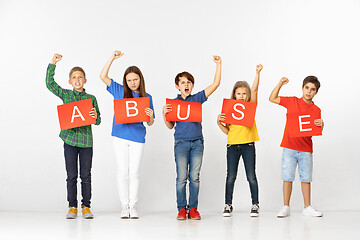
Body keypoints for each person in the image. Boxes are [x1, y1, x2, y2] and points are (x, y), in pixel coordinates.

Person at [163, 56, 222, 220]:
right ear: (177, 86)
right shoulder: (173, 103)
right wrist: (164, 114)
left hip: (197, 142)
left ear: (192, 85)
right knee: (181, 178)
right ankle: (182, 209)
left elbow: (215, 84)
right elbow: (170, 126)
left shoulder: (197, 98)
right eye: (182, 82)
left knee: (194, 177)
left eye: (189, 82)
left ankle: (193, 208)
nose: (186, 84)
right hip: (181, 143)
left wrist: (218, 64)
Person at [100, 51, 154, 219]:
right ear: (125, 81)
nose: (132, 83)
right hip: (119, 136)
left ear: (140, 80)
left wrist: (150, 115)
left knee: (135, 172)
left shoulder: (147, 97)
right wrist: (112, 58)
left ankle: (133, 206)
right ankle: (124, 206)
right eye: (129, 80)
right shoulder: (119, 90)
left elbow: (150, 123)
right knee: (123, 171)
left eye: (135, 79)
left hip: (138, 138)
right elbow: (102, 76)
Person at [46, 53, 101, 219]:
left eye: (80, 77)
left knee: (86, 176)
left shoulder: (91, 98)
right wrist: (52, 64)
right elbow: (50, 84)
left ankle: (86, 206)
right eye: (74, 77)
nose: (78, 80)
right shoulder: (66, 95)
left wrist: (95, 116)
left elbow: (98, 120)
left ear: (85, 80)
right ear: (70, 81)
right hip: (69, 140)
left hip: (86, 142)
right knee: (71, 175)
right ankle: (72, 206)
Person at [269, 76, 324, 218]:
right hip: (289, 147)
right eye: (307, 88)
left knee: (306, 178)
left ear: (316, 92)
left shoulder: (316, 110)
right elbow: (272, 98)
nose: (309, 92)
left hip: (306, 149)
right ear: (302, 87)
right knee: (287, 177)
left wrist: (321, 125)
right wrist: (280, 83)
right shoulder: (292, 101)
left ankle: (307, 207)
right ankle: (286, 206)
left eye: (312, 89)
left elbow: (315, 129)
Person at [217, 64, 263, 217]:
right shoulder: (231, 110)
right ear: (234, 95)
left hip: (248, 145)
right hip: (232, 146)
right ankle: (228, 204)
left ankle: (255, 204)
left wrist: (257, 73)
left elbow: (255, 89)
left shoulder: (250, 107)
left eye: (244, 93)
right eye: (238, 93)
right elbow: (228, 131)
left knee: (251, 176)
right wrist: (219, 123)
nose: (242, 96)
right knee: (231, 176)